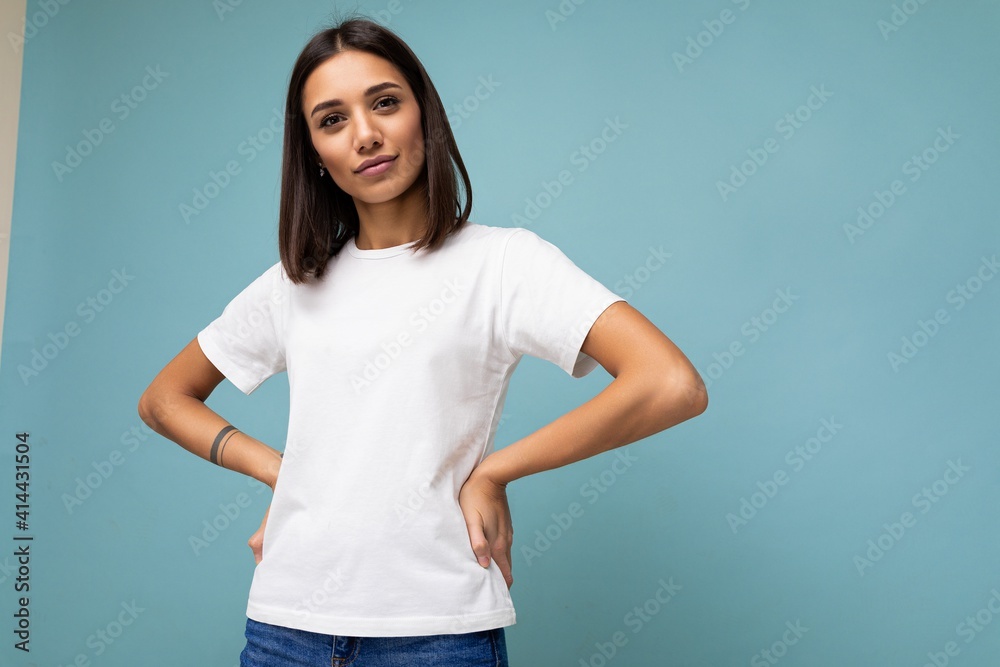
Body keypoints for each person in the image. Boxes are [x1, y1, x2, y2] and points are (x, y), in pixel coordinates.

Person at [137, 14, 708, 667]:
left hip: (437, 634)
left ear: (424, 116)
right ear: (314, 155)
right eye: (332, 120)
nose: (366, 134)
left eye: (384, 103)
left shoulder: (504, 263)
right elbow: (163, 400)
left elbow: (671, 384)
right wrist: (281, 472)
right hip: (283, 630)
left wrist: (496, 469)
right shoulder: (294, 284)